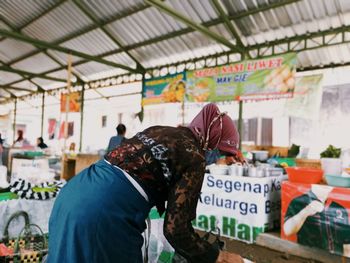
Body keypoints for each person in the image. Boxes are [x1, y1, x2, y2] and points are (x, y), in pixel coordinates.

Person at [48, 103, 245, 263]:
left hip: (74, 193)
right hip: (104, 212)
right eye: (220, 152)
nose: (217, 157)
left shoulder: (164, 132)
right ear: (210, 142)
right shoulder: (195, 156)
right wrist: (218, 256)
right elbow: (176, 230)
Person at [284, 184, 350, 256]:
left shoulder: (338, 208)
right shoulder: (299, 202)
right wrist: (306, 211)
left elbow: (347, 244)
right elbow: (287, 231)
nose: (325, 183)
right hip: (309, 258)